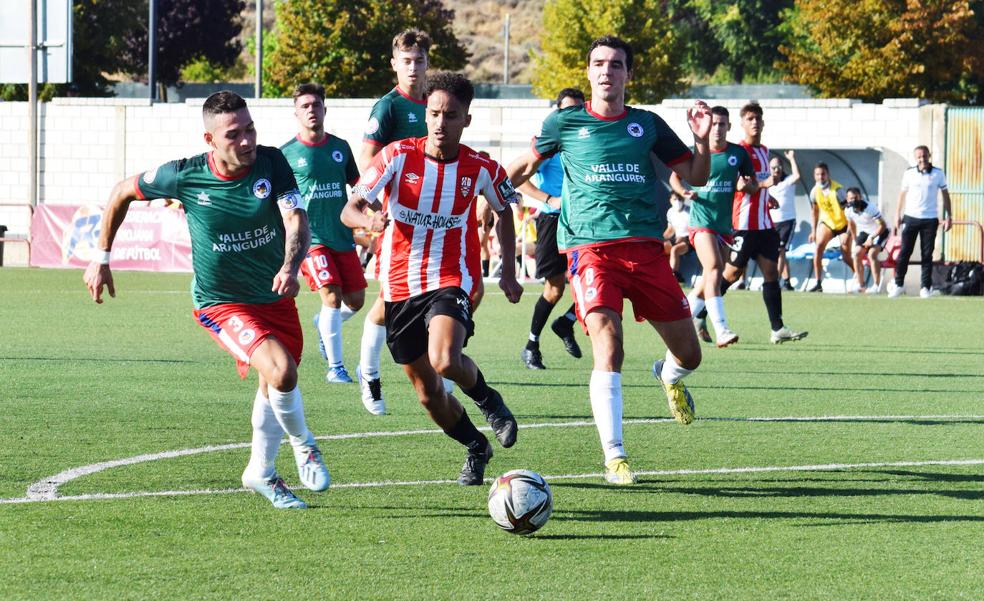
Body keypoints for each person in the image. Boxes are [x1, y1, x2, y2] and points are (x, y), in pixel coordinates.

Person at [83, 91, 329, 509]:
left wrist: (290, 266)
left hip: (274, 296)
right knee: (282, 372)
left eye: (250, 129)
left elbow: (296, 218)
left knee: (272, 383)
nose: (248, 141)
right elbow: (123, 190)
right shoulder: (184, 175)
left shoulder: (272, 162)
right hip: (221, 303)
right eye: (234, 135)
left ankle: (261, 473)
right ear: (210, 140)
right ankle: (304, 443)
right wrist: (101, 258)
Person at [508, 36, 711, 485]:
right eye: (599, 63)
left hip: (645, 250)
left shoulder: (648, 124)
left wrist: (701, 141)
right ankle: (615, 457)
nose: (606, 71)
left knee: (691, 354)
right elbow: (522, 166)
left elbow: (696, 174)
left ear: (628, 75)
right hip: (590, 249)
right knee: (608, 340)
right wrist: (488, 193)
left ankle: (669, 376)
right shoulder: (564, 122)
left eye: (616, 65)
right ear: (588, 72)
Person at [341, 72, 522, 485]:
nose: (441, 123)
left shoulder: (480, 167)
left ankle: (490, 401)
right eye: (434, 113)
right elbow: (349, 209)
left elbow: (506, 209)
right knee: (428, 394)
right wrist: (369, 218)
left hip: (448, 278)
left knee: (444, 359)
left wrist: (508, 270)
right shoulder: (397, 156)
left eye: (451, 115)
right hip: (398, 288)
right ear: (426, 114)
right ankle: (477, 447)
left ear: (466, 120)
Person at [354, 29, 435, 415]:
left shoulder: (435, 104)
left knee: (462, 292)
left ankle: (443, 366)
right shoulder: (387, 108)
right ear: (394, 65)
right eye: (406, 61)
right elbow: (368, 161)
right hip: (400, 225)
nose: (414, 68)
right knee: (389, 304)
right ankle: (368, 373)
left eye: (419, 60)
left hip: (439, 221)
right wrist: (371, 211)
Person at [281, 83, 366, 387]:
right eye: (304, 106)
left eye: (315, 105)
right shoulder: (287, 154)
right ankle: (336, 367)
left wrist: (378, 209)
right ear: (296, 113)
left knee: (355, 300)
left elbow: (358, 184)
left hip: (342, 236)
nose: (311, 110)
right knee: (331, 295)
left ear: (325, 109)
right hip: (311, 239)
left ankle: (324, 325)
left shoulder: (340, 147)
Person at [718, 102, 806, 344]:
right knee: (732, 274)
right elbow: (740, 185)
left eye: (758, 118)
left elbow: (757, 187)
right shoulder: (738, 152)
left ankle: (777, 328)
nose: (754, 122)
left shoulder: (764, 151)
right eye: (750, 118)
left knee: (771, 273)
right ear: (742, 124)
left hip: (765, 225)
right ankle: (702, 314)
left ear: (763, 123)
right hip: (744, 225)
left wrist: (769, 198)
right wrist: (766, 186)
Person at [671, 105, 754, 348]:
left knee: (707, 280)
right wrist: (683, 191)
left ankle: (681, 320)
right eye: (714, 123)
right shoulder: (696, 152)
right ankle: (722, 329)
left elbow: (749, 182)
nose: (717, 128)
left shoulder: (738, 154)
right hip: (701, 222)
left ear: (729, 127)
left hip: (725, 226)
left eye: (721, 124)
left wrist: (748, 187)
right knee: (715, 268)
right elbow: (674, 177)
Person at [517, 87, 586, 370]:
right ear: (557, 112)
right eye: (567, 110)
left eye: (578, 110)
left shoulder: (589, 142)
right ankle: (532, 344)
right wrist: (548, 199)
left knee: (597, 282)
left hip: (584, 221)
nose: (573, 115)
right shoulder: (546, 142)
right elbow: (520, 177)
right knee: (555, 289)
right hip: (552, 220)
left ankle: (566, 322)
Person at [890, 145, 953, 298]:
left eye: (924, 156)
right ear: (915, 158)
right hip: (911, 218)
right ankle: (898, 284)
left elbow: (945, 195)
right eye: (919, 156)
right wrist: (897, 215)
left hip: (930, 219)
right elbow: (902, 195)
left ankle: (925, 287)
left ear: (929, 156)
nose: (922, 159)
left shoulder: (938, 174)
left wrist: (949, 216)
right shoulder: (909, 173)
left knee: (927, 255)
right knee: (905, 252)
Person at [808, 162, 853, 292]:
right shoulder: (814, 192)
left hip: (844, 224)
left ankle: (860, 281)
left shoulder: (838, 191)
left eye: (823, 174)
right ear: (814, 175)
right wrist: (813, 231)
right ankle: (818, 283)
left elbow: (850, 213)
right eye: (817, 174)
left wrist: (849, 233)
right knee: (818, 248)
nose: (820, 177)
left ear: (828, 175)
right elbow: (815, 212)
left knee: (846, 256)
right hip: (828, 223)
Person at [845, 187, 889, 294]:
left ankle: (876, 286)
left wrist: (872, 238)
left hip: (880, 232)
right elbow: (851, 224)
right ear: (847, 199)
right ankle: (861, 285)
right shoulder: (847, 210)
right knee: (856, 254)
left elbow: (883, 225)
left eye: (856, 197)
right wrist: (855, 240)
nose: (853, 200)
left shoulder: (870, 208)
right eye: (851, 198)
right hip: (865, 232)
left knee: (871, 255)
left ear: (860, 197)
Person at [769, 150, 801, 290]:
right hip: (771, 221)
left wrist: (791, 159)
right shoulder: (768, 183)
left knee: (780, 249)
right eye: (773, 167)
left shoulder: (788, 181)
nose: (776, 170)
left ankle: (775, 281)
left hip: (787, 220)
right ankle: (786, 281)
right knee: (777, 251)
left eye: (779, 167)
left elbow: (797, 176)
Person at [664, 192, 692, 280]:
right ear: (670, 200)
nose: (677, 202)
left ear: (683, 199)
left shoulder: (690, 211)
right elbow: (670, 229)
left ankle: (673, 276)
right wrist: (661, 239)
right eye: (675, 199)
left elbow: (695, 228)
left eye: (680, 199)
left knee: (674, 250)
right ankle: (663, 273)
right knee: (661, 247)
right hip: (676, 239)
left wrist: (685, 237)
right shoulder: (670, 212)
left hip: (690, 241)